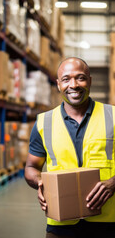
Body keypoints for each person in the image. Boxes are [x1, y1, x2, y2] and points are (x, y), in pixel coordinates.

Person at [25, 57, 115, 238]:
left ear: (89, 81)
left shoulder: (113, 116)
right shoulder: (44, 122)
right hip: (61, 222)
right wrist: (40, 183)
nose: (73, 85)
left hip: (108, 221)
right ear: (58, 84)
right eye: (66, 79)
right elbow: (31, 167)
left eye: (80, 78)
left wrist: (113, 183)